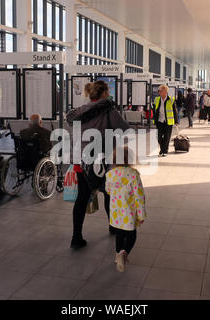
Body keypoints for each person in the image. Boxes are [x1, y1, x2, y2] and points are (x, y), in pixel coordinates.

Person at [67, 81, 130, 249]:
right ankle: (113, 226)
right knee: (109, 195)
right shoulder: (109, 111)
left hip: (82, 162)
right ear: (103, 94)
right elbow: (125, 130)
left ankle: (76, 237)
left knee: (81, 198)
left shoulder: (79, 111)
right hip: (104, 161)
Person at [105, 147, 146, 273]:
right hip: (129, 212)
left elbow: (108, 191)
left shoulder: (110, 174)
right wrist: (141, 214)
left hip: (116, 213)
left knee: (119, 234)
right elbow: (139, 196)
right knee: (131, 236)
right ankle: (124, 253)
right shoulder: (133, 174)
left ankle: (118, 257)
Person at [153, 85, 178, 157]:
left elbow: (174, 111)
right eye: (159, 91)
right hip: (160, 121)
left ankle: (164, 151)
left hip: (168, 122)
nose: (159, 92)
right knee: (159, 137)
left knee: (167, 137)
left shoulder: (171, 99)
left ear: (165, 92)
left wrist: (176, 121)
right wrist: (154, 119)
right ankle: (162, 149)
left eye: (160, 91)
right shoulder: (157, 99)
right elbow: (154, 111)